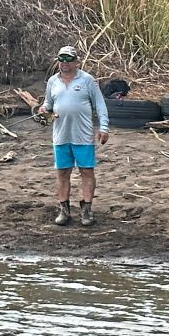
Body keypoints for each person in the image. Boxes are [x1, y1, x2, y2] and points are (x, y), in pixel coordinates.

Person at [37, 45, 110, 227]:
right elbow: (49, 103)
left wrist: (104, 127)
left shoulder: (88, 81)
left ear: (76, 62)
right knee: (62, 172)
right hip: (61, 135)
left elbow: (100, 106)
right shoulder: (53, 82)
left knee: (86, 171)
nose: (64, 64)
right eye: (61, 60)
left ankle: (87, 210)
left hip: (83, 135)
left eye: (68, 60)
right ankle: (64, 210)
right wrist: (44, 110)